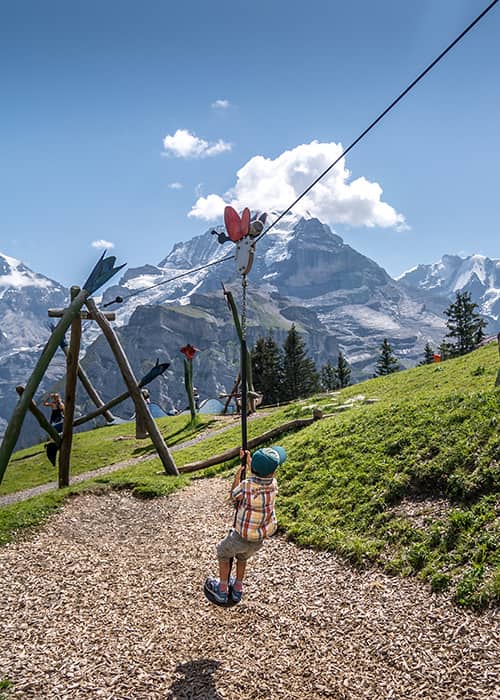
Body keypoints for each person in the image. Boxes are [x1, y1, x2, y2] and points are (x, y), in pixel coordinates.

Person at [205, 445, 286, 604]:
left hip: (240, 536)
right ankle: (237, 590)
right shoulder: (273, 484)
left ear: (253, 469)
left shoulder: (246, 485)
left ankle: (221, 590)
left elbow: (234, 496)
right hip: (258, 540)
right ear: (273, 472)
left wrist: (238, 475)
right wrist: (249, 462)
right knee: (242, 558)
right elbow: (259, 476)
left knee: (222, 552)